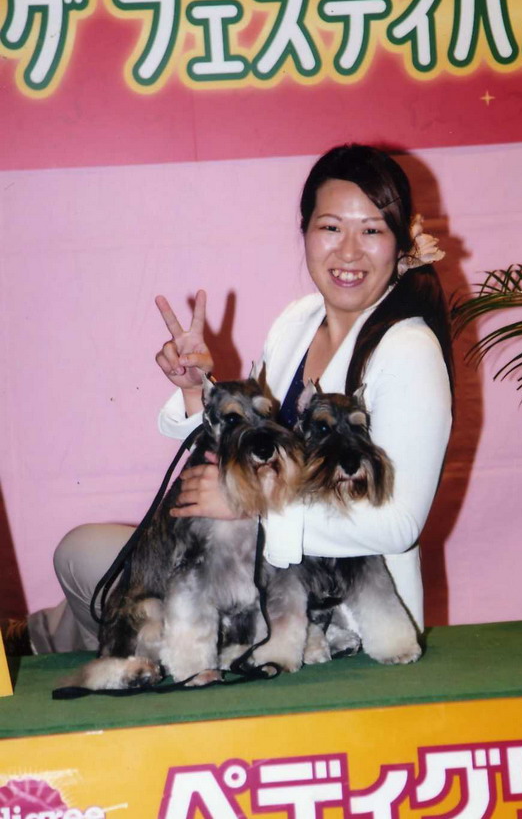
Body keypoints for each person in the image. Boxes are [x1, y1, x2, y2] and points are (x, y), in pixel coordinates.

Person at [18, 143, 453, 655]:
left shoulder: (408, 351)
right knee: (84, 553)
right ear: (305, 232)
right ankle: (48, 644)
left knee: (107, 586)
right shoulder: (297, 322)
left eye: (372, 231)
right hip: (251, 574)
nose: (349, 252)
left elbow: (399, 526)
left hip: (332, 616)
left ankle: (55, 649)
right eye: (332, 227)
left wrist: (251, 508)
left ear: (401, 243)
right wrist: (197, 389)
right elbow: (250, 447)